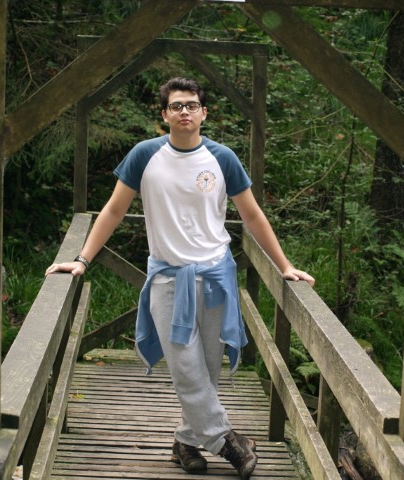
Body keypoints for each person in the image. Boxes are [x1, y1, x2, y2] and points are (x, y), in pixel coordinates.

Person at [45, 77, 314, 479]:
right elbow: (114, 210)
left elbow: (252, 215)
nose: (184, 111)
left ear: (204, 113)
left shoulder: (223, 158)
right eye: (176, 106)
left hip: (216, 278)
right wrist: (82, 259)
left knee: (206, 373)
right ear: (164, 114)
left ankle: (186, 443)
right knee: (187, 371)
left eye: (191, 105)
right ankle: (231, 444)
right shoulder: (145, 155)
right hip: (168, 280)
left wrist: (284, 266)